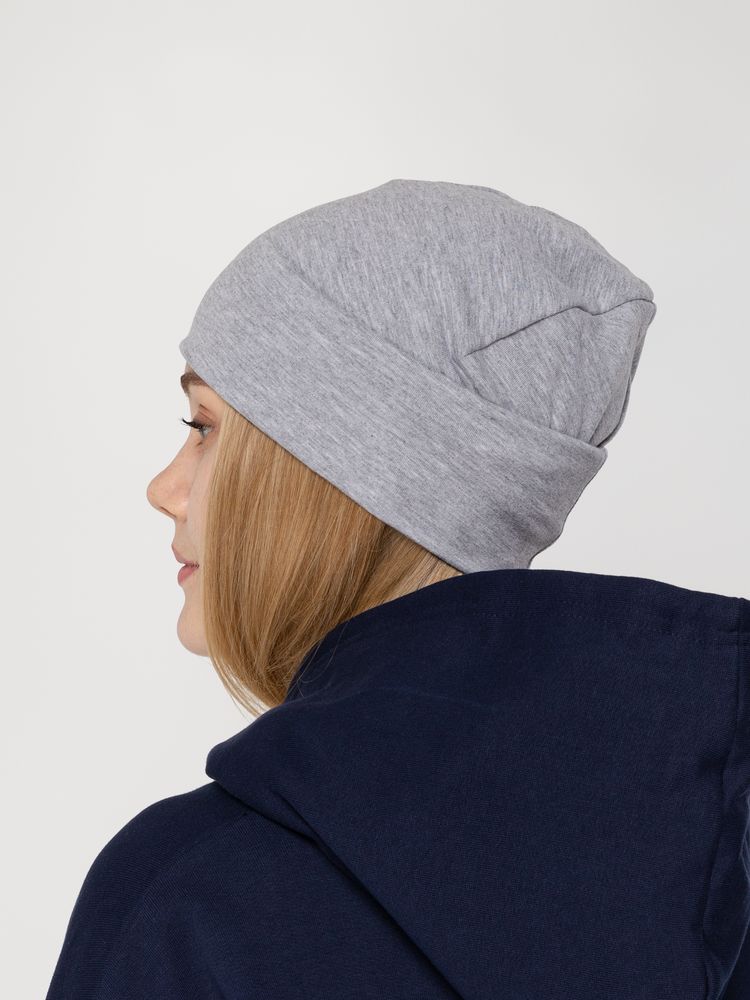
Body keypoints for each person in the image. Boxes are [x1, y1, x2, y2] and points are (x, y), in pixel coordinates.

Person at [45, 179, 750, 999]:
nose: (164, 489)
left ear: (339, 474)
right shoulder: (713, 873)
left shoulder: (194, 899)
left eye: (204, 428)